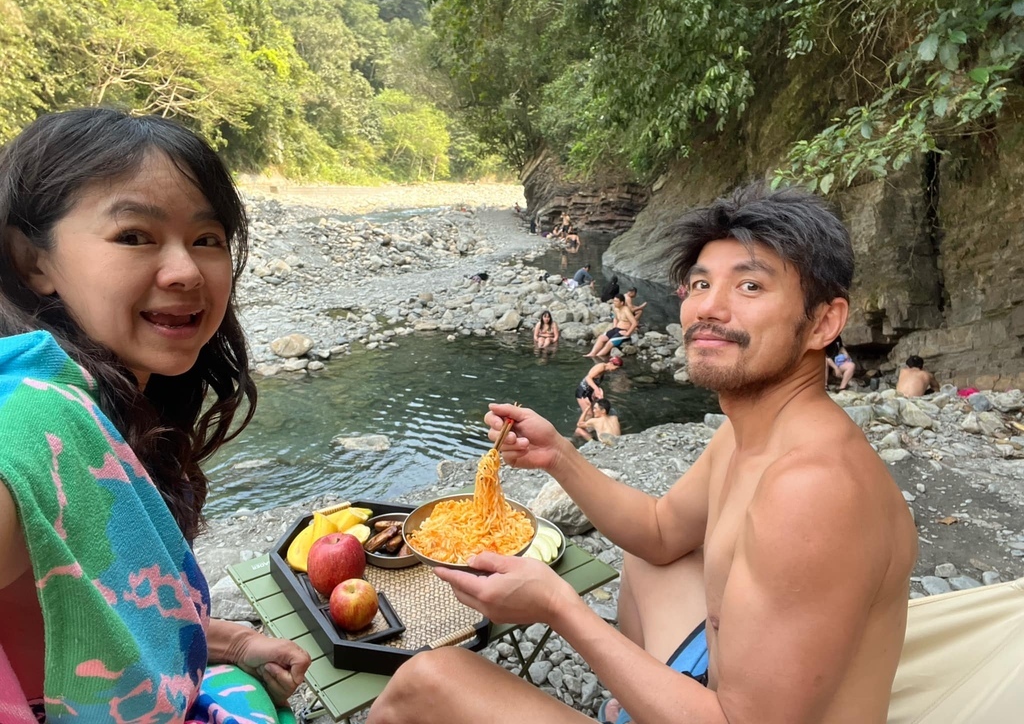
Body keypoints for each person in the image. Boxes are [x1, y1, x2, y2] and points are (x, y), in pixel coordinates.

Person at [367, 182, 917, 724]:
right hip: (730, 690)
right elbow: (659, 532)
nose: (710, 308)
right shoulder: (754, 432)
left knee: (427, 680)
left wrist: (559, 608)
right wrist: (558, 453)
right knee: (656, 561)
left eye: (749, 287)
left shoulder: (812, 489)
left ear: (824, 322)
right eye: (700, 284)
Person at [0, 108, 310, 721]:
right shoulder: (31, 419)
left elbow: (100, 606)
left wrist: (235, 642)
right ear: (34, 261)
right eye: (135, 236)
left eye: (207, 239)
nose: (187, 271)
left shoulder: (119, 408)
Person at [584, 293, 638, 358]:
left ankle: (598, 356)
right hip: (616, 329)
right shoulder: (616, 309)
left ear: (622, 303)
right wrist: (614, 327)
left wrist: (628, 333)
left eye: (616, 301)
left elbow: (634, 323)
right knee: (601, 338)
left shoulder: (626, 310)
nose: (614, 303)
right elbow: (615, 318)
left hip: (624, 331)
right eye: (614, 301)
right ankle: (592, 354)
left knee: (610, 342)